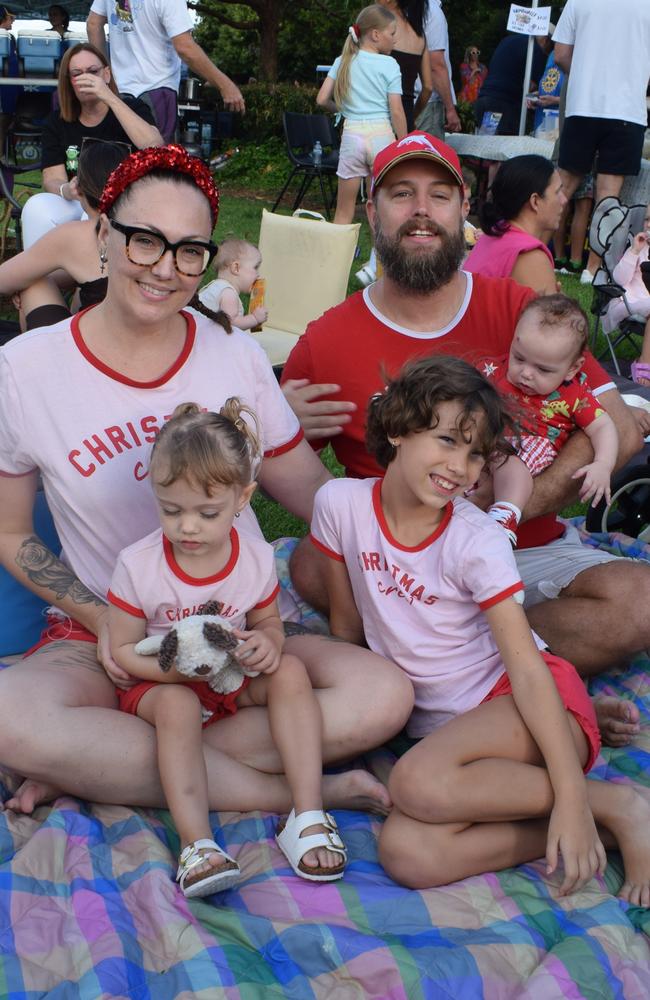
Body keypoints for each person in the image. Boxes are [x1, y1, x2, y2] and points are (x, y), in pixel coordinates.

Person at [0, 143, 410, 818]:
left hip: (236, 635)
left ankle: (107, 766)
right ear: (102, 235)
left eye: (189, 250)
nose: (166, 269)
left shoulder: (235, 357)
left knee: (384, 694)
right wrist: (102, 620)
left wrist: (412, 531)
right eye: (144, 242)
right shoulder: (27, 369)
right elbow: (12, 532)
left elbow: (309, 490)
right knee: (14, 719)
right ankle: (291, 791)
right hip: (111, 639)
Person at [280, 131, 649, 745]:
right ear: (372, 211)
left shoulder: (523, 310)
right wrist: (274, 419)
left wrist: (508, 510)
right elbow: (276, 464)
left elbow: (618, 422)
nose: (421, 209)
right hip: (397, 569)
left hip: (523, 548)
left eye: (439, 194)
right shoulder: (326, 340)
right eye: (401, 193)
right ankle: (529, 689)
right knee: (311, 562)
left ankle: (491, 679)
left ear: (463, 212)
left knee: (639, 601)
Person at [311, 353, 650, 905]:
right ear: (397, 429)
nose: (461, 469)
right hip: (453, 744)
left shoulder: (476, 541)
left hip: (532, 709)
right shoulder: (339, 505)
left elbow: (528, 666)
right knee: (407, 855)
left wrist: (568, 791)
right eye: (446, 440)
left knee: (415, 784)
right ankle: (588, 827)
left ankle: (610, 803)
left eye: (476, 455)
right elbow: (349, 630)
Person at [108, 401, 347, 897]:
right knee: (175, 705)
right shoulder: (138, 565)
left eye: (207, 512)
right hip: (162, 685)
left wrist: (268, 644)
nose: (187, 527)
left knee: (290, 672)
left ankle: (306, 813)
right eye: (171, 510)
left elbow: (267, 624)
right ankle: (198, 844)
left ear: (244, 497)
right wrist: (180, 677)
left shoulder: (256, 560)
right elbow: (125, 652)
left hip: (229, 679)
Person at [486, 295, 618, 546]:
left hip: (531, 446)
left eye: (543, 370)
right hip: (489, 441)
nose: (526, 373)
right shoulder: (495, 370)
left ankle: (505, 516)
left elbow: (604, 426)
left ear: (572, 368)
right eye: (519, 358)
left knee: (509, 462)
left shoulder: (574, 393)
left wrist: (603, 464)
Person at [20, 43, 163, 249]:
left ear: (106, 74)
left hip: (126, 203)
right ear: (69, 82)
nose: (86, 78)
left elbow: (154, 145)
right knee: (37, 207)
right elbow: (52, 178)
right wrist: (66, 190)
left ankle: (92, 279)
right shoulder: (57, 122)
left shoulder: (132, 108)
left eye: (93, 72)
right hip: (79, 200)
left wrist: (110, 98)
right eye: (77, 74)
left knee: (90, 216)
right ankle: (40, 279)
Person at [553, 0, 650, 278]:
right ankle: (592, 269)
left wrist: (587, 73)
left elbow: (560, 54)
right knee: (608, 198)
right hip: (627, 111)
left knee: (561, 189)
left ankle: (533, 248)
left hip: (583, 105)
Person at [0, 140, 126, 331]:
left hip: (94, 350)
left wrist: (26, 281)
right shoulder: (145, 229)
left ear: (79, 189)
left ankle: (30, 357)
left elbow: (3, 280)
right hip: (148, 345)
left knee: (33, 282)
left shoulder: (76, 233)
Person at [87, 0, 245, 144]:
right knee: (156, 165)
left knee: (120, 162)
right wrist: (225, 85)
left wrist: (106, 77)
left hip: (119, 94)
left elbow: (93, 24)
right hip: (155, 94)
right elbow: (185, 48)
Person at [316, 4, 407, 225]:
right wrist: (404, 143)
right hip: (382, 138)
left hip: (352, 136)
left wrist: (344, 110)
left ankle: (336, 260)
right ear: (376, 34)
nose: (395, 40)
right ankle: (378, 261)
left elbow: (321, 99)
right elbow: (396, 110)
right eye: (392, 33)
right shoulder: (390, 65)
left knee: (343, 212)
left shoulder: (343, 60)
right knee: (381, 214)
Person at [464, 154, 566, 295]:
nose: (564, 200)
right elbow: (551, 317)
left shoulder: (492, 235)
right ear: (535, 201)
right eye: (558, 192)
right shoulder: (530, 256)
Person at [603, 205, 650, 386]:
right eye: (647, 219)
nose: (648, 225)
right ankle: (643, 364)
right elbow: (620, 279)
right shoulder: (638, 248)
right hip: (630, 300)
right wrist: (634, 251)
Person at [474, 31, 551, 136]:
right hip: (502, 105)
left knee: (487, 144)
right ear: (546, 40)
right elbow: (542, 84)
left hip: (486, 99)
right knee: (504, 147)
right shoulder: (534, 48)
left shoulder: (509, 40)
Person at [377, 0, 432, 132]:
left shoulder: (382, 24)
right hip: (405, 119)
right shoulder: (419, 34)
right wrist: (411, 116)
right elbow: (428, 87)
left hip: (380, 117)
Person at [199, 238, 268, 331]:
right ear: (236, 268)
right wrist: (255, 318)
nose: (258, 274)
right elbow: (231, 324)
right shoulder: (228, 293)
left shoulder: (216, 286)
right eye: (255, 267)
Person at [415, 0, 460, 138]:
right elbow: (435, 65)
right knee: (427, 158)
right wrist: (450, 109)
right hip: (427, 104)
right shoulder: (432, 12)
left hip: (403, 99)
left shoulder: (399, 8)